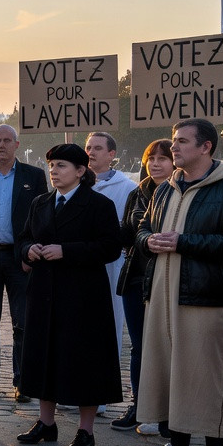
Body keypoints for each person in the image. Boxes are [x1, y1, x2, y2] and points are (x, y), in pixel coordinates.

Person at [132, 118, 223, 446]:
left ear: (206, 147)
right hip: (163, 295)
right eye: (173, 140)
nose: (174, 147)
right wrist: (146, 242)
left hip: (208, 297)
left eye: (182, 141)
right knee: (172, 374)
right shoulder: (165, 188)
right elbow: (141, 226)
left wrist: (184, 243)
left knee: (208, 378)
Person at [15, 144, 123, 446]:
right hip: (44, 292)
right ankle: (46, 423)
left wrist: (67, 251)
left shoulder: (98, 204)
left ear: (80, 171)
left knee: (84, 361)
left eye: (61, 166)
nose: (53, 172)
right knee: (43, 355)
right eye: (51, 166)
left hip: (83, 295)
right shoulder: (40, 202)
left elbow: (110, 247)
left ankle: (85, 430)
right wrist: (28, 251)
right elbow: (23, 237)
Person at [0, 124, 47, 403]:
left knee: (23, 322)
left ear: (17, 145)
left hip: (20, 259)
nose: (2, 145)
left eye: (7, 140)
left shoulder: (34, 176)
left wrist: (31, 254)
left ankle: (22, 380)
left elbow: (42, 219)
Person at [116, 139, 173, 433]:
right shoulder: (137, 192)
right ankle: (139, 406)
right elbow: (127, 232)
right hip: (136, 275)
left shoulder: (180, 192)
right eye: (151, 158)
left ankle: (168, 413)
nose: (156, 164)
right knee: (139, 347)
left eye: (163, 158)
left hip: (168, 277)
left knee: (166, 347)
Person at [85, 132, 138, 403]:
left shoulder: (126, 187)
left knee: (109, 326)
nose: (91, 152)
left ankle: (103, 395)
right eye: (88, 147)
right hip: (80, 263)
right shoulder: (77, 184)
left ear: (111, 154)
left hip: (111, 262)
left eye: (97, 148)